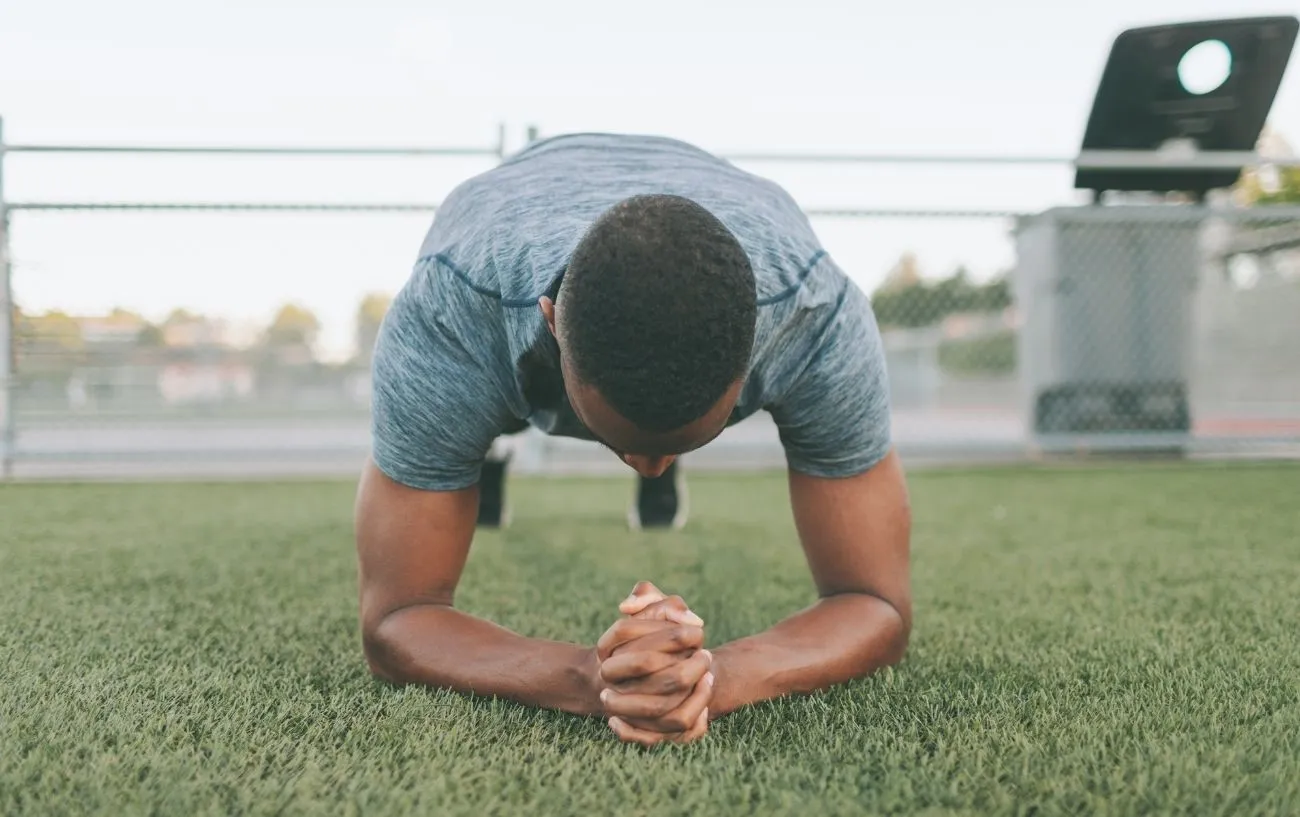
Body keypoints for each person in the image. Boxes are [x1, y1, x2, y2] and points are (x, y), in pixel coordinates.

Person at [354, 133, 913, 747]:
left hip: (744, 217)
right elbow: (397, 619)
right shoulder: (449, 314)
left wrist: (713, 677)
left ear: (759, 347)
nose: (648, 469)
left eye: (683, 442)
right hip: (498, 250)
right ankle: (479, 448)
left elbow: (876, 603)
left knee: (647, 430)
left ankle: (637, 421)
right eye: (627, 444)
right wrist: (589, 677)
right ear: (551, 325)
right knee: (469, 420)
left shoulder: (815, 315)